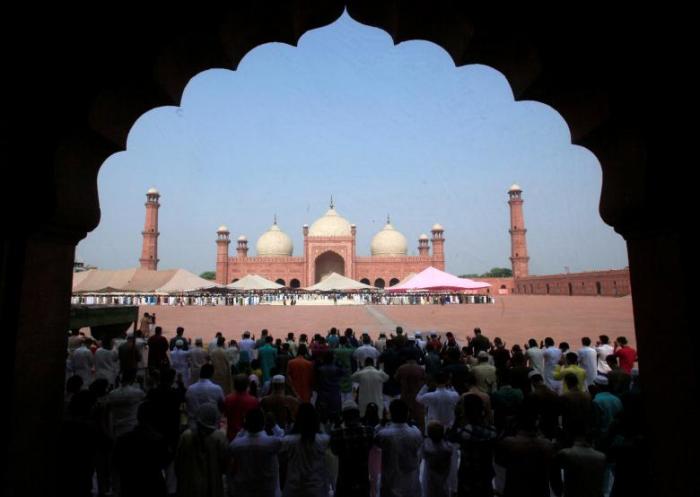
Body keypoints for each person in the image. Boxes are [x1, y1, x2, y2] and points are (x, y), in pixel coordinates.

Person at [113, 401, 170, 497]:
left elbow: (116, 464)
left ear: (138, 417)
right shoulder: (159, 440)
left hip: (130, 487)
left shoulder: (123, 439)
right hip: (153, 487)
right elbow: (165, 462)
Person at [175, 402, 229, 497]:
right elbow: (225, 465)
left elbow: (178, 463)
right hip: (212, 486)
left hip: (189, 486)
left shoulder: (186, 436)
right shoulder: (219, 437)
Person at [449, 394, 498, 497]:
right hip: (485, 473)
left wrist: (457, 419)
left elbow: (451, 437)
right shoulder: (492, 431)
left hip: (467, 475)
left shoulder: (463, 432)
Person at [374, 399, 423, 497]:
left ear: (391, 414)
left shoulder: (384, 434)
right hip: (411, 485)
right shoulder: (416, 433)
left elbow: (376, 439)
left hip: (391, 486)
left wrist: (382, 424)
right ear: (407, 413)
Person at [228, 408, 282, 497]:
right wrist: (275, 426)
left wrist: (242, 430)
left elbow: (233, 444)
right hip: (268, 492)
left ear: (246, 424)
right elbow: (283, 439)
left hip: (245, 491)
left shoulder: (237, 445)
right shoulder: (272, 443)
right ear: (263, 424)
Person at [280, 403, 330, 497]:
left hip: (294, 488)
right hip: (317, 488)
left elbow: (283, 464)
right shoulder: (324, 440)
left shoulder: (288, 441)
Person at [330, 400, 375, 497]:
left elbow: (334, 451)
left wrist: (337, 425)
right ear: (358, 415)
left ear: (344, 417)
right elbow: (371, 446)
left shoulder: (337, 433)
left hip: (344, 480)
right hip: (362, 479)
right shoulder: (368, 431)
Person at [422, 421, 454, 497]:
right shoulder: (449, 448)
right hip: (444, 481)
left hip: (430, 483)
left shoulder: (426, 448)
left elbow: (423, 456)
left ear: (429, 434)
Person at [223, 374, 260, 441]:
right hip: (248, 437)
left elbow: (225, 414)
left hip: (232, 436)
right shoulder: (253, 401)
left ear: (234, 385)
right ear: (247, 385)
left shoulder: (228, 399)